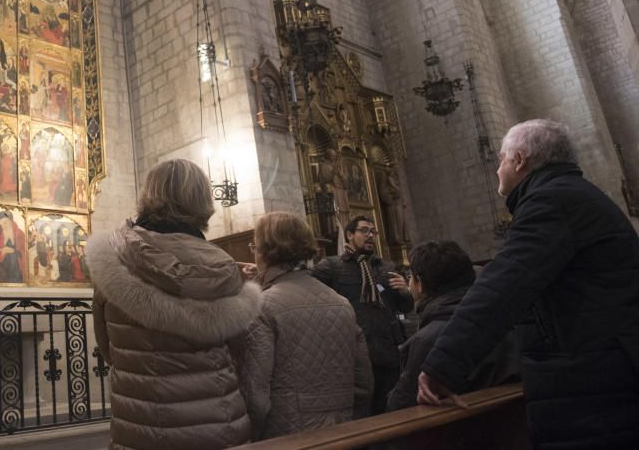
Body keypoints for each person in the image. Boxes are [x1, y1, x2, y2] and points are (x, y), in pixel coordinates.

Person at [418, 120, 639, 448]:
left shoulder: (551, 203)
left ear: (519, 160)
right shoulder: (575, 196)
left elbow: (500, 289)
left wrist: (442, 366)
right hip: (604, 370)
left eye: (502, 159)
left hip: (592, 386)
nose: (497, 169)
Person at [87, 158, 261, 449]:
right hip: (218, 427)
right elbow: (241, 353)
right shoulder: (223, 267)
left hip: (142, 427)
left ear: (148, 195)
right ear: (202, 200)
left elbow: (108, 349)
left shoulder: (114, 260)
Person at [236, 212, 373, 439]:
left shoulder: (262, 307)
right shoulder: (341, 303)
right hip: (343, 432)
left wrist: (255, 439)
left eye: (254, 247)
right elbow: (364, 383)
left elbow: (256, 396)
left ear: (264, 251)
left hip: (289, 436)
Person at [385, 240, 518, 411]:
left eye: (410, 277)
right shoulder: (503, 321)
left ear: (419, 283)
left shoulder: (426, 340)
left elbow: (400, 406)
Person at [313, 216, 412, 414]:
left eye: (373, 232)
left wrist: (405, 293)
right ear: (349, 235)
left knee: (392, 410)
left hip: (387, 352)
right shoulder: (332, 267)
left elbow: (404, 308)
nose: (370, 235)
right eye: (364, 230)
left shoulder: (386, 267)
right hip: (353, 353)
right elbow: (304, 285)